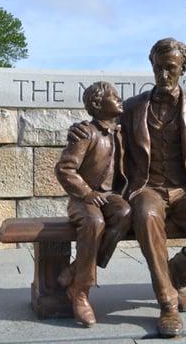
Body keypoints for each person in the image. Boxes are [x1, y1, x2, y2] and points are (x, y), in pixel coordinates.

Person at [69, 38, 186, 337]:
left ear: (183, 68)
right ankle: (168, 303)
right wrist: (78, 128)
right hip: (147, 189)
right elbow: (98, 122)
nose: (164, 75)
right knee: (145, 214)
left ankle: (174, 276)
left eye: (170, 68)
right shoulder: (132, 108)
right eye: (158, 68)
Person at [55, 81, 131, 327]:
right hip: (83, 200)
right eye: (114, 96)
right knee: (94, 221)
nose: (120, 100)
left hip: (110, 197)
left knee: (125, 212)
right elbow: (65, 168)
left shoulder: (121, 132)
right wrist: (86, 192)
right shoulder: (86, 132)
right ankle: (81, 291)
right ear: (98, 104)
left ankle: (77, 267)